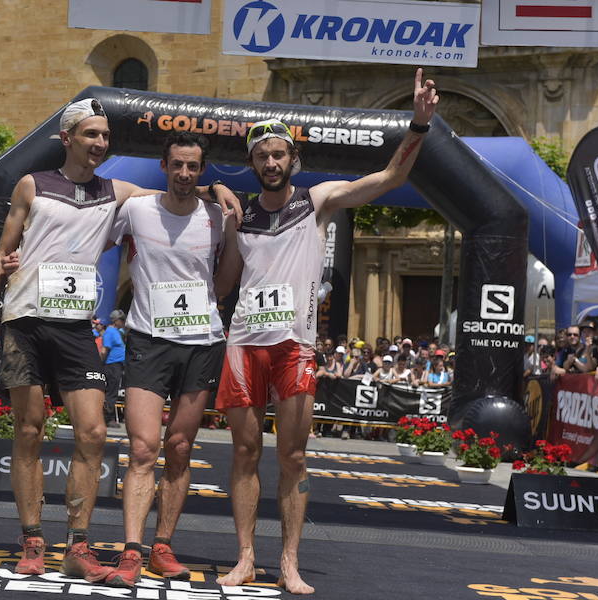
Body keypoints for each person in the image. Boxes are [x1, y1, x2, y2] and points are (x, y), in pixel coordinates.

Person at [0, 98, 239, 580]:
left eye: (104, 137)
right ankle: (33, 540)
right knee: (29, 430)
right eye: (90, 135)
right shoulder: (33, 185)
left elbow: (176, 192)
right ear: (67, 138)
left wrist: (216, 184)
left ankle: (78, 544)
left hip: (77, 327)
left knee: (94, 433)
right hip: (26, 320)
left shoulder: (119, 192)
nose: (99, 143)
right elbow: (2, 252)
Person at [212, 69, 439, 594]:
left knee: (293, 455)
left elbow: (388, 180)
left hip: (294, 345)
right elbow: (225, 284)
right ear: (253, 163)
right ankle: (245, 557)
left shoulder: (316, 202)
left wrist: (419, 127)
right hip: (244, 343)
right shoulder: (240, 218)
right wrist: (223, 221)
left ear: (294, 159)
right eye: (262, 155)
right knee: (244, 453)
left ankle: (289, 562)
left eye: (279, 154)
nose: (271, 162)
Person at [104, 132, 229, 587]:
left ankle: (162, 545)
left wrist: (211, 302)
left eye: (192, 167)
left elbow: (231, 267)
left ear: (202, 170)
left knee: (179, 447)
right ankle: (132, 550)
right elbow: (93, 242)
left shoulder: (217, 216)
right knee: (142, 448)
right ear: (164, 165)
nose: (184, 174)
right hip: (149, 340)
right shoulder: (138, 210)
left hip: (202, 341)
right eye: (177, 164)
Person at [101, 309, 126, 429]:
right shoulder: (110, 332)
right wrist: (101, 364)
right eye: (122, 320)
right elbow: (104, 350)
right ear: (116, 320)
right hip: (112, 365)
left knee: (112, 392)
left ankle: (107, 417)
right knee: (111, 392)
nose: (123, 322)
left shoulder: (116, 331)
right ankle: (108, 418)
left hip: (117, 365)